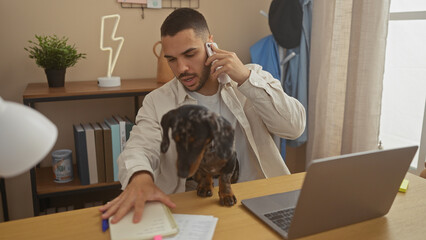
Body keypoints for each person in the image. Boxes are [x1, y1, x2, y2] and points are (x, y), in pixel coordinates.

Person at [100, 8, 306, 224]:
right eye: (171, 59)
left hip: (257, 203)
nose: (181, 69)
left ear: (210, 44)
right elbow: (139, 148)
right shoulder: (157, 101)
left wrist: (245, 79)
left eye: (190, 54)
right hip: (192, 210)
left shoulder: (252, 77)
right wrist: (139, 176)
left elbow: (294, 128)